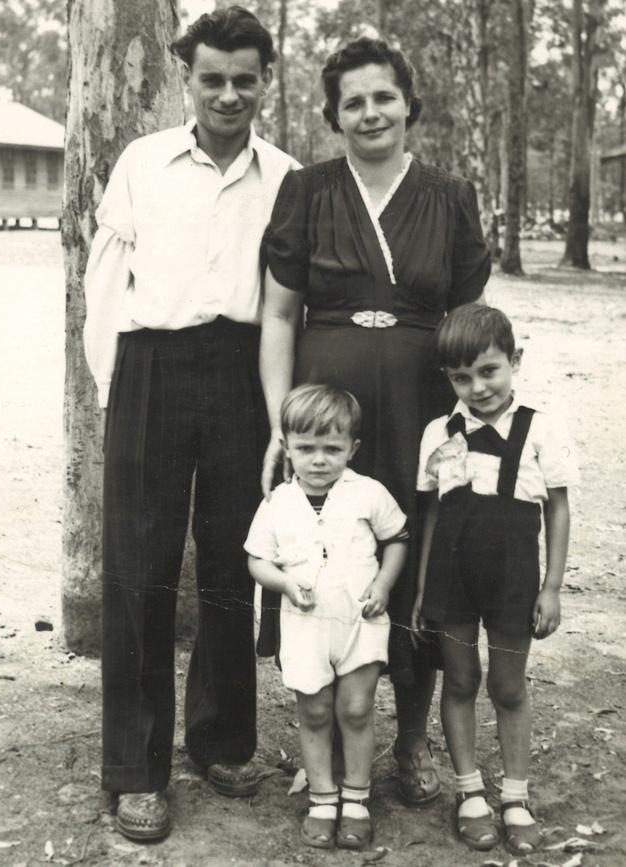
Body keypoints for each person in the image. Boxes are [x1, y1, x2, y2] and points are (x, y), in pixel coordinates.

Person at [83, 6, 298, 841]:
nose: (229, 93)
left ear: (263, 81)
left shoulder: (286, 175)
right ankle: (136, 768)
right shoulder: (142, 162)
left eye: (245, 79)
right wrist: (118, 386)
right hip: (152, 365)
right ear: (187, 76)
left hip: (242, 370)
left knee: (229, 562)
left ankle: (221, 739)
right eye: (213, 77)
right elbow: (106, 281)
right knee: (139, 564)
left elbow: (292, 298)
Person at [258, 37, 491, 806]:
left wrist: (470, 419)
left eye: (382, 96)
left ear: (407, 104)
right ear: (334, 114)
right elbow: (281, 314)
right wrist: (279, 424)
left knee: (416, 560)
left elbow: (466, 322)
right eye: (353, 101)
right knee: (329, 563)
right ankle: (320, 740)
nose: (369, 112)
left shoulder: (450, 195)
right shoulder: (308, 189)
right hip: (330, 410)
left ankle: (411, 744)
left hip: (422, 411)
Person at [412, 304, 578, 854]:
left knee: (507, 685)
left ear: (515, 361)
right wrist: (421, 590)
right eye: (462, 377)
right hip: (452, 580)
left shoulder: (539, 428)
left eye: (488, 371)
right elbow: (432, 511)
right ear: (448, 378)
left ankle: (514, 795)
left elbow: (557, 509)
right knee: (459, 681)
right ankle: (469, 792)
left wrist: (551, 586)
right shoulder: (440, 431)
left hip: (513, 579)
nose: (477, 387)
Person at [245, 384, 409, 849]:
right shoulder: (278, 502)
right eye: (306, 449)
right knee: (314, 710)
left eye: (332, 449)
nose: (319, 460)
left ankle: (356, 798)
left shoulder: (368, 494)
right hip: (304, 624)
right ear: (287, 448)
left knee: (356, 709)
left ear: (352, 448)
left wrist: (383, 585)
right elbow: (257, 560)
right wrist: (282, 585)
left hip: (360, 621)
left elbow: (397, 537)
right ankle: (322, 797)